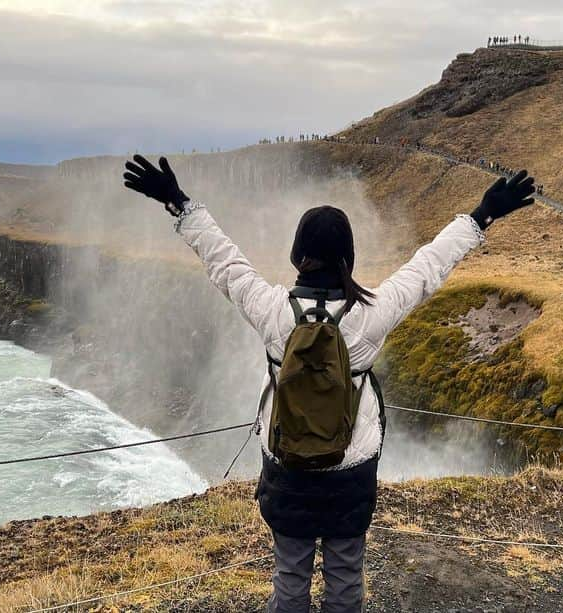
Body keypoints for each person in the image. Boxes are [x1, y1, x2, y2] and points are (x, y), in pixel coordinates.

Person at [122, 155, 536, 613]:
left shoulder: (273, 311)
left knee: (290, 578)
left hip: (288, 467)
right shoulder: (371, 315)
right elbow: (428, 267)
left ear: (298, 256)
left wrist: (179, 204)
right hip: (351, 468)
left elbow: (224, 261)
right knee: (344, 580)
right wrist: (482, 215)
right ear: (348, 258)